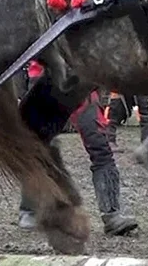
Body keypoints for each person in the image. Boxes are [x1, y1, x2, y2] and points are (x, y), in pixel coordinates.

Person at [17, 61, 138, 236]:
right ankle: (29, 209)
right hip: (48, 79)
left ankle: (112, 215)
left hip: (82, 82)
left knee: (100, 146)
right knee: (40, 145)